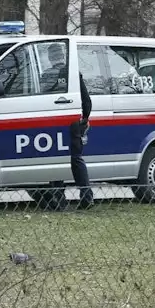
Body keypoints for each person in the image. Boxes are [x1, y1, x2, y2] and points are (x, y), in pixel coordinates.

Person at [70, 73, 94, 209]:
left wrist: (84, 118)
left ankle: (57, 197)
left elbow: (87, 103)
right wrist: (84, 119)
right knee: (75, 159)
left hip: (66, 124)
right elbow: (87, 103)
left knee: (74, 159)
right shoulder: (73, 75)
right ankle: (86, 196)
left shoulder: (49, 74)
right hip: (73, 124)